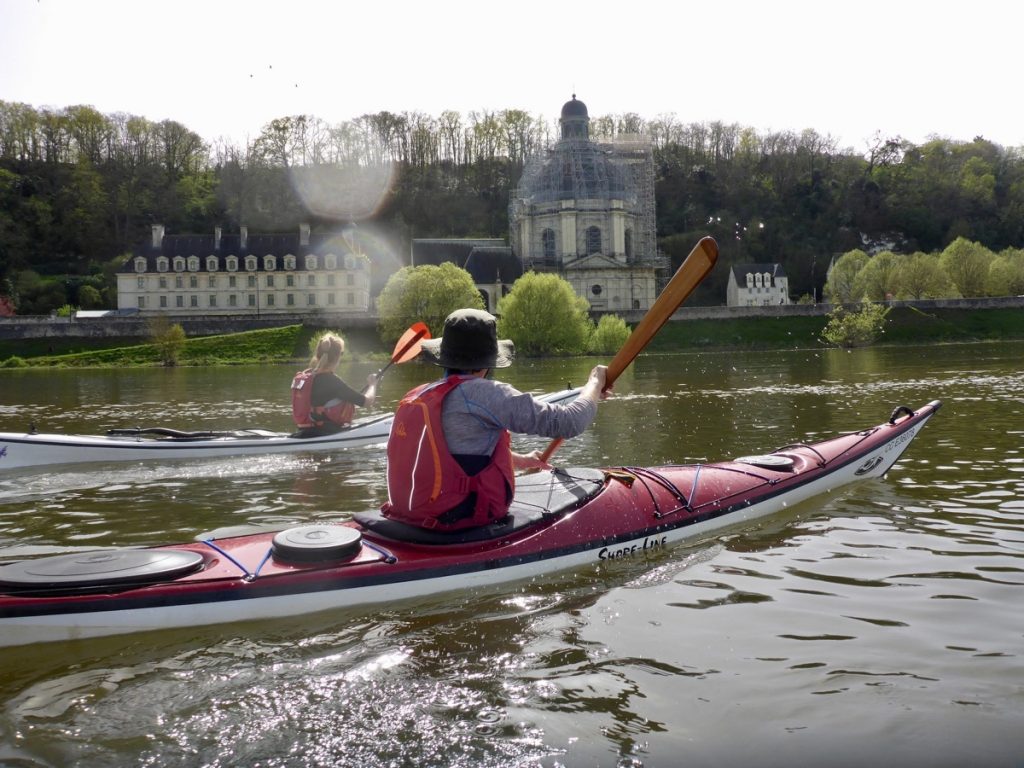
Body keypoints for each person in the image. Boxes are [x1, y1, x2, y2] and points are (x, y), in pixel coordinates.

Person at [381, 308, 610, 531]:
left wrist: (520, 460)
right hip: (457, 516)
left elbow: (450, 454)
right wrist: (594, 384)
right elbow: (569, 422)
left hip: (414, 514)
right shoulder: (486, 394)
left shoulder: (422, 393)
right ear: (487, 362)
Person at [291, 332, 377, 436]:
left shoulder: (308, 376)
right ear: (337, 356)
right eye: (342, 353)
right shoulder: (332, 381)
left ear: (318, 354)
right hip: (324, 432)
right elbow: (367, 402)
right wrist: (372, 384)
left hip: (304, 430)